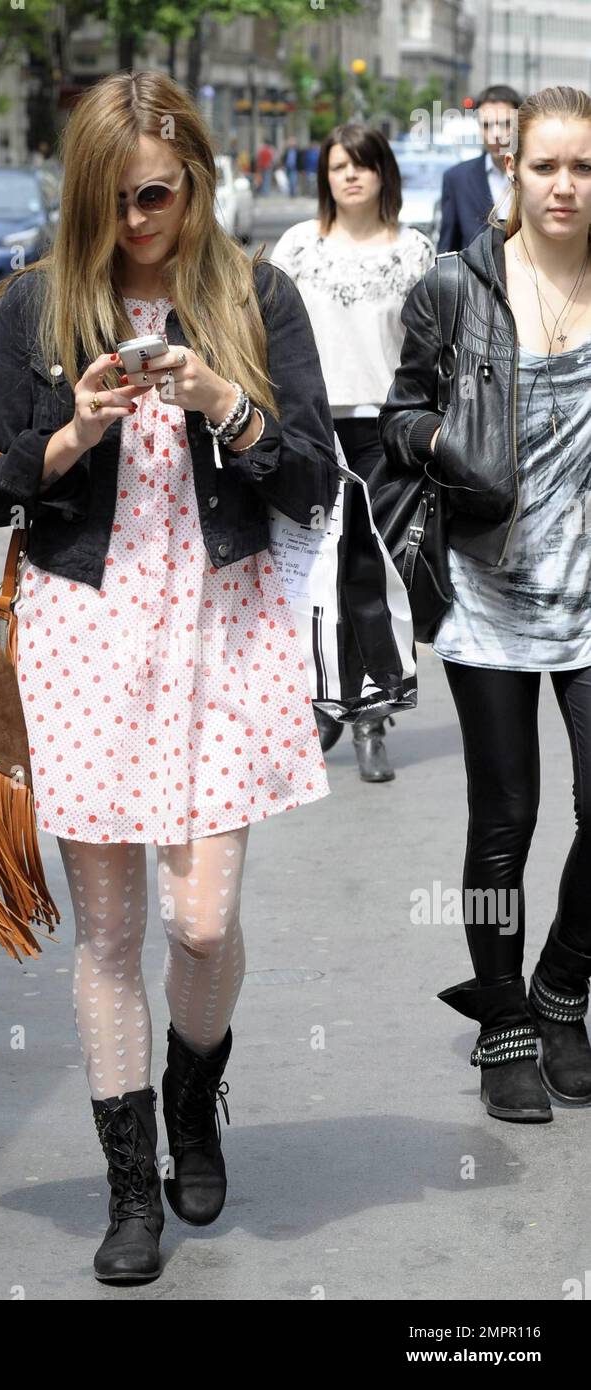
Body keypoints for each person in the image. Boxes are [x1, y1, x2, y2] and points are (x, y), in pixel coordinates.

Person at [0, 68, 338, 1282]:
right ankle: (132, 1193)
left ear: (198, 179)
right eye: (113, 201)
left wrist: (227, 403)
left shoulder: (252, 294)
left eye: (157, 195)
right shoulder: (37, 305)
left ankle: (191, 1092)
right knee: (112, 927)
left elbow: (315, 480)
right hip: (86, 633)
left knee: (201, 917)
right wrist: (68, 433)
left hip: (223, 630)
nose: (137, 222)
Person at [379, 85, 591, 1124]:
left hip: (590, 595)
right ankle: (505, 1020)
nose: (562, 184)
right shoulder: (456, 288)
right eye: (545, 165)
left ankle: (559, 984)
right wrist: (437, 444)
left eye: (581, 167)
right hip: (485, 591)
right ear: (512, 171)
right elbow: (398, 415)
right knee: (503, 818)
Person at [270, 123, 434, 782]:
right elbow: (266, 335)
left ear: (382, 174)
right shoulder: (295, 247)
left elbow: (432, 351)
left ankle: (371, 716)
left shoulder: (415, 251)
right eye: (338, 165)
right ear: (325, 176)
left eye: (362, 165)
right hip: (311, 429)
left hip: (386, 433)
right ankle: (323, 703)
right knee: (320, 576)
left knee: (375, 575)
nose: (350, 176)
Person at [438, 84, 523, 252]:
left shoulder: (537, 175)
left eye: (505, 123)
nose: (496, 133)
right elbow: (447, 251)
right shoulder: (457, 179)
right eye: (487, 125)